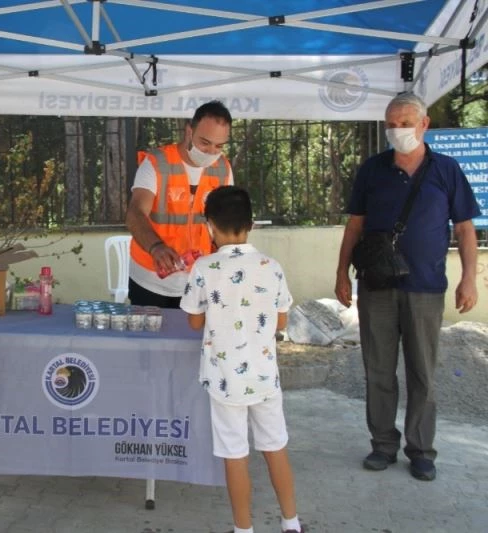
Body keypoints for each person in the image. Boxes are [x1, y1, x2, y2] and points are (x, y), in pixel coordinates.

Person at [334, 92, 480, 482]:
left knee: (423, 373)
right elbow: (355, 226)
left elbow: (465, 229)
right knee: (378, 370)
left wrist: (469, 278)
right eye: (392, 124)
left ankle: (421, 450)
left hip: (426, 287)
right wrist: (340, 273)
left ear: (424, 124)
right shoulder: (373, 169)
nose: (398, 130)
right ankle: (382, 444)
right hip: (377, 285)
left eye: (405, 123)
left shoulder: (446, 170)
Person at [180, 186, 303, 533]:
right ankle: (291, 522)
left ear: (209, 226)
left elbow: (193, 321)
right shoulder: (271, 267)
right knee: (275, 446)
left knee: (235, 455)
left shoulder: (204, 268)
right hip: (265, 377)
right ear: (251, 224)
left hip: (224, 381)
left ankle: (244, 529)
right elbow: (281, 321)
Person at [126, 100, 234, 308]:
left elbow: (224, 225)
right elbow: (135, 214)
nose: (211, 151)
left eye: (219, 146)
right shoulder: (157, 163)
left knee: (194, 340)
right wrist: (156, 247)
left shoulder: (223, 168)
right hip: (150, 280)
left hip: (199, 281)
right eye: (204, 142)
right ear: (188, 131)